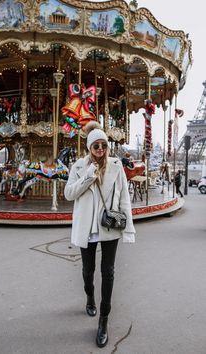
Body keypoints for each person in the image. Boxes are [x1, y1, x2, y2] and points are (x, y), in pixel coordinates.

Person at [64, 121, 135, 348]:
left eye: (104, 145)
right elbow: (68, 194)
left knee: (109, 272)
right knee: (87, 271)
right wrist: (88, 175)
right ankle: (89, 297)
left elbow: (124, 198)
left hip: (109, 227)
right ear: (89, 147)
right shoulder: (78, 167)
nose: (101, 151)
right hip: (87, 228)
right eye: (96, 146)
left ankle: (104, 319)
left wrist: (129, 229)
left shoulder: (116, 166)